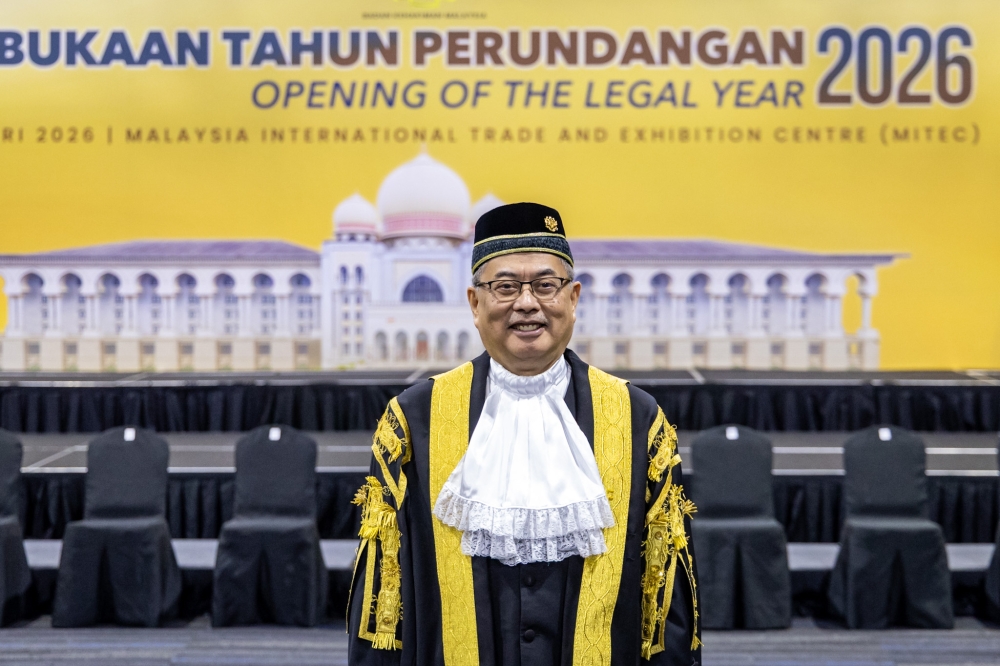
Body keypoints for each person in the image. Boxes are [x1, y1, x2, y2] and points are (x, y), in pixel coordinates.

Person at [348, 202, 700, 665]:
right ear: (475, 303)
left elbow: (665, 594)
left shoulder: (636, 418)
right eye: (506, 287)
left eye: (546, 285)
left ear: (573, 299)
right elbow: (382, 596)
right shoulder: (414, 420)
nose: (527, 303)